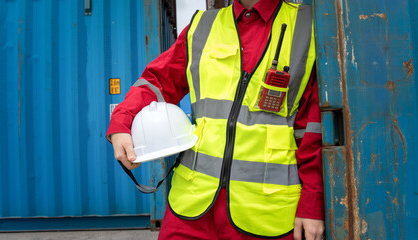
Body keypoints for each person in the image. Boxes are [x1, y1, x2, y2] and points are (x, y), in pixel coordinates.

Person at [107, 0, 325, 239]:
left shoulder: (306, 26)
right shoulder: (202, 27)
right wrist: (122, 121)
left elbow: (313, 129)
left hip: (267, 217)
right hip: (191, 212)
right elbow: (157, 81)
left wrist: (312, 203)